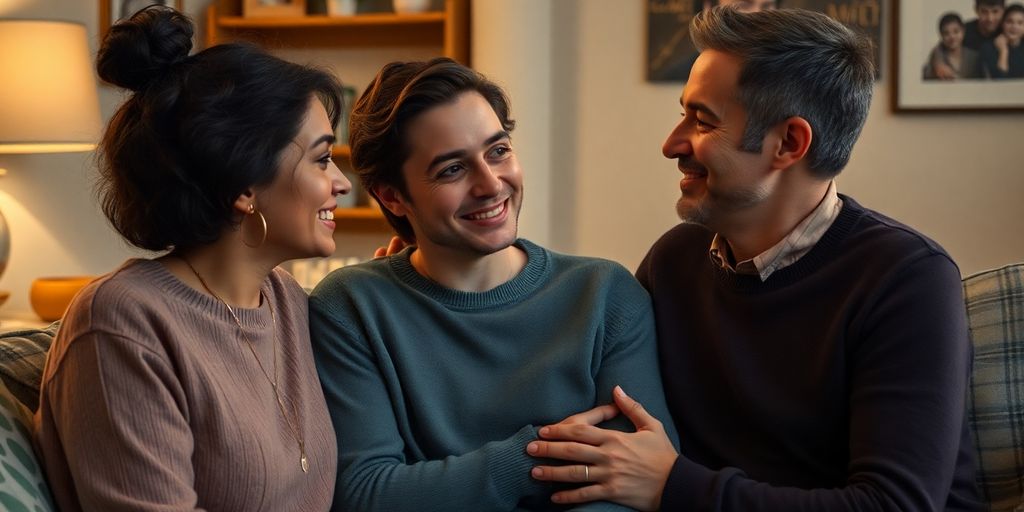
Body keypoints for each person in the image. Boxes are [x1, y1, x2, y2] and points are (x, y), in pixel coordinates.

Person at [527, 5, 982, 511]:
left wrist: (673, 485)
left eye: (702, 120)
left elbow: (893, 505)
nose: (672, 144)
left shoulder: (908, 280)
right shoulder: (674, 262)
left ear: (788, 143)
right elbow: (620, 436)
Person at [309, 57, 677, 511]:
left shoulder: (605, 295)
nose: (490, 183)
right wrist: (529, 459)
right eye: (452, 170)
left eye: (498, 151)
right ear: (392, 196)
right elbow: (368, 495)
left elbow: (638, 486)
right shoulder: (351, 307)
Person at [33, 6, 349, 511]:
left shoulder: (284, 299)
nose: (342, 184)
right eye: (321, 158)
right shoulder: (122, 321)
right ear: (244, 183)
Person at [925, 12, 982, 79]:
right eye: (946, 33)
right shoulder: (936, 57)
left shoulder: (974, 57)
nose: (952, 37)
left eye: (956, 31)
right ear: (941, 36)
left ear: (963, 32)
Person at [980, 3, 1024, 78]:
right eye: (1009, 22)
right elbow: (1000, 81)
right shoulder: (988, 48)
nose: (1014, 27)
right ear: (1002, 23)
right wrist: (1003, 51)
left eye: (1020, 23)